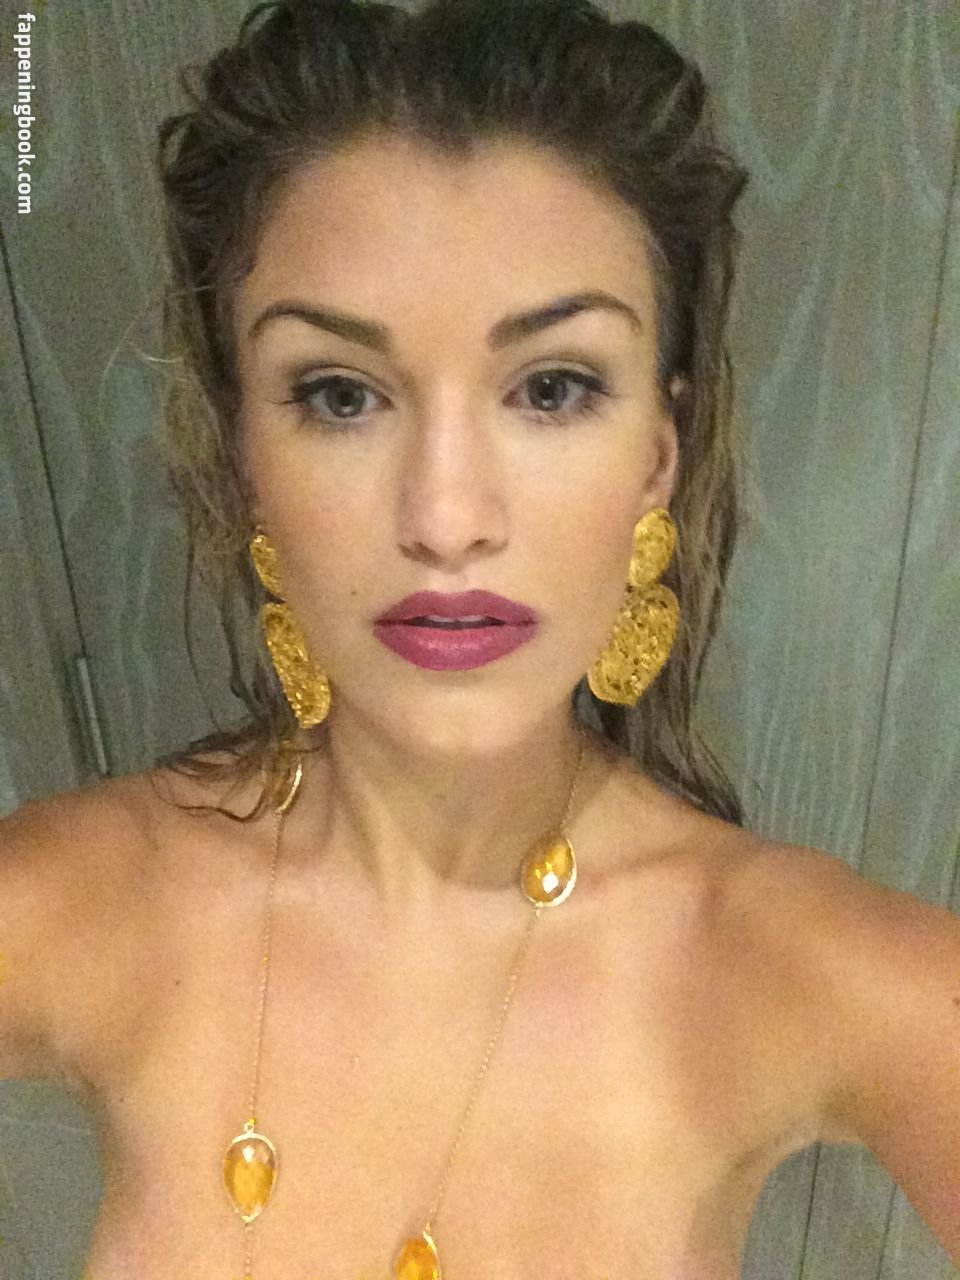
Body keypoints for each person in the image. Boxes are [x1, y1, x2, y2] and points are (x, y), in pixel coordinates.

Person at [1, 1, 958, 1278]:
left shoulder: (811, 973)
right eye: (340, 394)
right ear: (242, 455)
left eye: (552, 388)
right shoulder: (81, 901)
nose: (446, 516)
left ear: (657, 454)